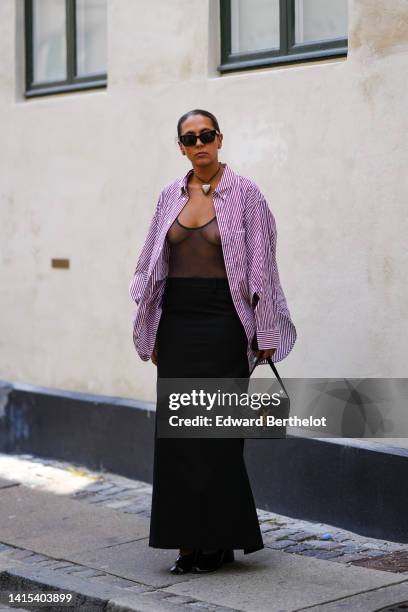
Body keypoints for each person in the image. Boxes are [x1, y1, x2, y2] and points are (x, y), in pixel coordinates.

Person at [129, 109, 297, 574]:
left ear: (220, 139)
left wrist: (265, 332)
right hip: (178, 323)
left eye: (206, 135)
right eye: (190, 138)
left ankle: (220, 542)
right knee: (180, 436)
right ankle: (187, 546)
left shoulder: (246, 194)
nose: (199, 143)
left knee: (218, 435)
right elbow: (150, 263)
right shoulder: (169, 196)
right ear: (180, 146)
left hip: (225, 321)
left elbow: (263, 266)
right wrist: (150, 327)